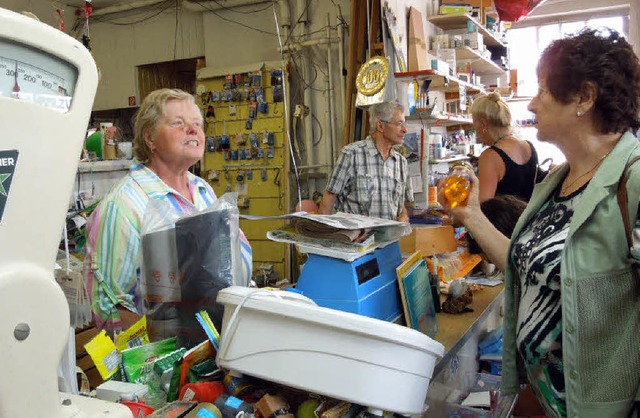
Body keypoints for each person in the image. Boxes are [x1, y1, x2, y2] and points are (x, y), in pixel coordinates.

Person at [447, 28, 640, 417]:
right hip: (544, 398)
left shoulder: (632, 182)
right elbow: (526, 268)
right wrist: (471, 216)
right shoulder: (557, 183)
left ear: (584, 98)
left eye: (543, 91)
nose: (532, 104)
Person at [85, 88, 252, 335]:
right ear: (150, 137)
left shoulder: (202, 190)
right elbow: (108, 307)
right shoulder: (124, 205)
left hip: (219, 341)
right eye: (178, 123)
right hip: (168, 359)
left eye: (197, 124)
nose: (193, 130)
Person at [318, 101, 413, 221]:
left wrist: (403, 217)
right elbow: (329, 197)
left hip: (390, 238)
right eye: (399, 124)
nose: (405, 129)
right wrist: (321, 232)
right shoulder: (351, 154)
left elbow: (404, 205)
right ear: (380, 126)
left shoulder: (401, 162)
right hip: (357, 238)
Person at [471, 91, 540, 202]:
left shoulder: (490, 157)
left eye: (475, 124)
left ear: (483, 124)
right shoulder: (528, 146)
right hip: (531, 217)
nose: (476, 131)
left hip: (505, 219)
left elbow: (484, 207)